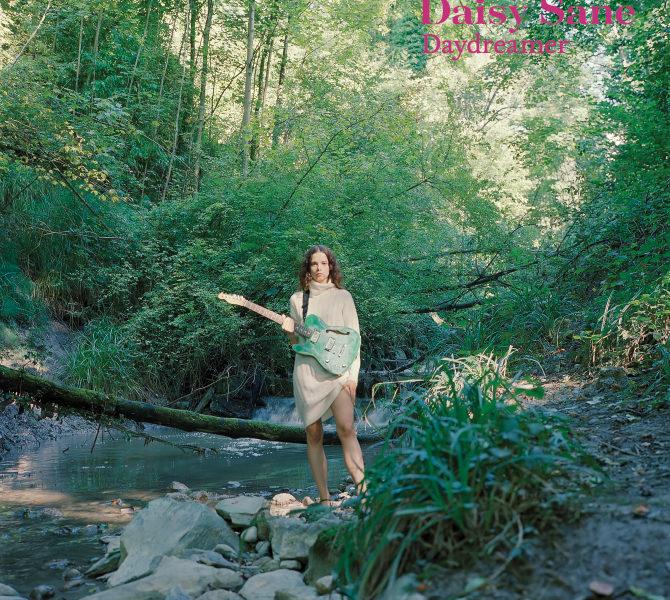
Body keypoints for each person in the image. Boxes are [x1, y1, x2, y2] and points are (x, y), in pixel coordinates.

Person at [281, 245, 365, 505]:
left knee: (347, 428)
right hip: (307, 373)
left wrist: (352, 377)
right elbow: (297, 344)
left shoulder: (343, 297)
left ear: (331, 266)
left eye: (324, 263)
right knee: (314, 435)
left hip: (338, 373)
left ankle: (364, 493)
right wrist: (290, 332)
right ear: (308, 268)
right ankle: (324, 498)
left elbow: (354, 341)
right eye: (314, 264)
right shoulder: (298, 300)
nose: (319, 268)